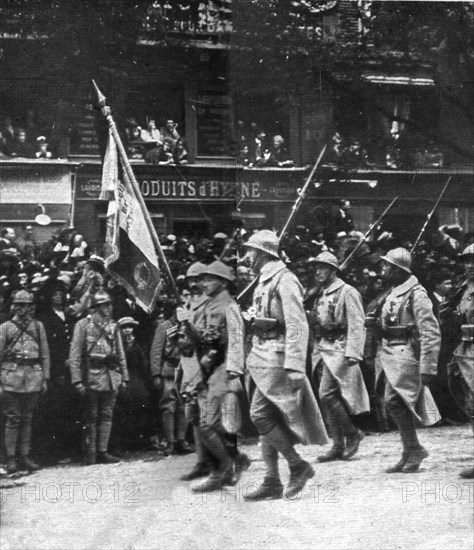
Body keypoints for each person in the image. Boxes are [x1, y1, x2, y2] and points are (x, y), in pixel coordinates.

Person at [240, 230, 328, 501]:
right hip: (262, 355)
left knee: (260, 416)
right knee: (270, 419)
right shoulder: (264, 280)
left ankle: (297, 465)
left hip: (277, 357)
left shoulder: (285, 280)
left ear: (264, 253)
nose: (246, 256)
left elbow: (297, 325)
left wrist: (294, 364)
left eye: (251, 251)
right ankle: (272, 480)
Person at [178, 261, 249, 492]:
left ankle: (223, 468)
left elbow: (226, 341)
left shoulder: (225, 306)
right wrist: (187, 323)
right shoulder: (211, 304)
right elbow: (203, 339)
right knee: (207, 420)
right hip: (212, 368)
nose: (203, 283)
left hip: (224, 367)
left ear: (223, 282)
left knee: (208, 422)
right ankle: (233, 460)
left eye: (209, 279)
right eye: (203, 279)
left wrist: (233, 370)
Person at [377, 248, 441, 473]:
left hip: (407, 354)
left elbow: (430, 331)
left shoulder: (417, 294)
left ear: (398, 270)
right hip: (391, 353)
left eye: (387, 266)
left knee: (397, 401)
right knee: (393, 402)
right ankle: (411, 449)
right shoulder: (393, 292)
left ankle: (413, 449)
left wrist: (428, 365)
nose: (383, 269)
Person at [309, 252, 369, 462]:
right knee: (326, 396)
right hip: (323, 347)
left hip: (340, 347)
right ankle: (337, 444)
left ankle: (352, 434)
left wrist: (354, 352)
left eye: (323, 267)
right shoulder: (320, 293)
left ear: (334, 270)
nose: (318, 271)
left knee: (327, 394)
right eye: (316, 267)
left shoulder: (347, 292)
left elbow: (357, 322)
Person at [68, 290, 128, 465]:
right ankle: (91, 453)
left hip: (111, 376)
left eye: (109, 304)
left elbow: (120, 353)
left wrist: (125, 377)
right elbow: (75, 354)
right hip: (92, 376)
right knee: (91, 415)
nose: (108, 308)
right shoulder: (83, 325)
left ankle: (102, 451)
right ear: (95, 307)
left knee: (107, 414)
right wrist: (77, 380)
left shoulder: (113, 326)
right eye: (104, 305)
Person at [0, 290, 50, 473]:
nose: (22, 308)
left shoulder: (38, 327)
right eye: (18, 304)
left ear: (31, 307)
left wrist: (45, 378)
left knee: (27, 418)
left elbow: (44, 354)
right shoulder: (5, 327)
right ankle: (11, 458)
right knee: (13, 418)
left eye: (25, 305)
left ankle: (24, 456)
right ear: (12, 306)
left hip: (33, 377)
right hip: (11, 377)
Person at [445, 244, 474, 478]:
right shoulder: (463, 289)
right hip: (466, 349)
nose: (470, 265)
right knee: (470, 403)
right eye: (467, 261)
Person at [150, 302, 191, 456]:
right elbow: (155, 351)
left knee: (184, 405)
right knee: (168, 406)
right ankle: (170, 441)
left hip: (185, 369)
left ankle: (181, 440)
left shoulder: (188, 326)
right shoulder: (164, 327)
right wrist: (156, 374)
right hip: (168, 369)